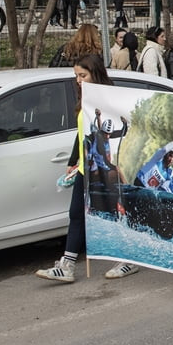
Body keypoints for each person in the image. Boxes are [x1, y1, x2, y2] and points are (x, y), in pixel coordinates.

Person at [35, 54, 136, 283]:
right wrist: (74, 160)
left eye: (83, 75)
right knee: (76, 214)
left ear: (95, 74)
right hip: (85, 168)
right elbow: (81, 135)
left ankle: (128, 260)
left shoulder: (110, 100)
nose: (78, 80)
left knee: (112, 213)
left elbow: (118, 128)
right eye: (76, 76)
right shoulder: (85, 102)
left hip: (103, 169)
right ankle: (67, 265)